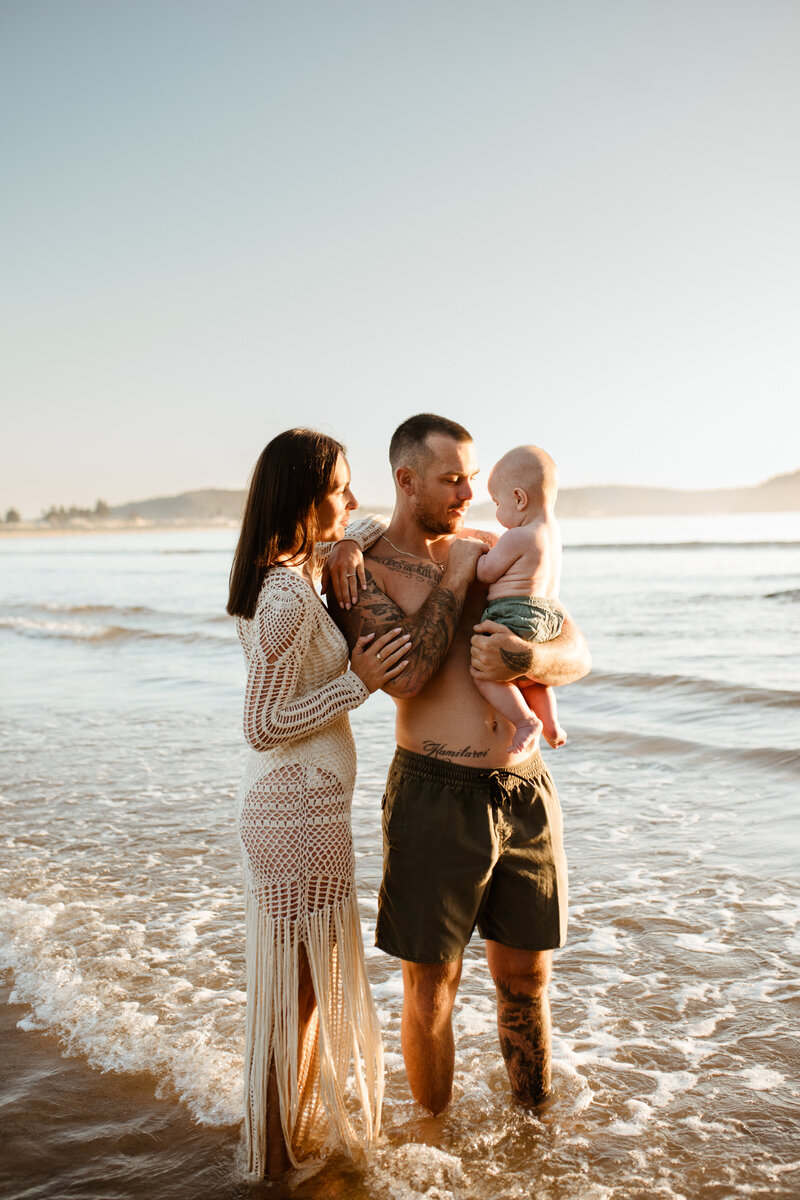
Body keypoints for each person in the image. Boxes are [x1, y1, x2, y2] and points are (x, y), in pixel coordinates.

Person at [328, 413, 590, 1116]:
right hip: (434, 795)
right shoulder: (361, 571)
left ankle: (534, 1131)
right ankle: (435, 1145)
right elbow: (407, 677)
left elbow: (577, 652)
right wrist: (448, 570)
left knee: (527, 980)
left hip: (524, 788)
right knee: (432, 989)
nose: (468, 493)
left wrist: (530, 660)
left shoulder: (493, 545)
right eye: (451, 479)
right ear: (405, 481)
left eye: (473, 477)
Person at [227, 428, 410, 1177]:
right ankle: (271, 1165)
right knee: (291, 1005)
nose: (355, 500)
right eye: (340, 489)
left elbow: (363, 525)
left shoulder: (293, 570)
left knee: (297, 1001)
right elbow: (262, 725)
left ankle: (280, 1144)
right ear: (303, 498)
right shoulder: (282, 598)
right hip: (293, 810)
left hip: (303, 809)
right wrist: (356, 684)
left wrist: (348, 543)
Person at [473, 444, 567, 755]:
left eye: (498, 503)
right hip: (550, 618)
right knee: (534, 682)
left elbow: (486, 573)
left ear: (519, 498)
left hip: (514, 614)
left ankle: (527, 721)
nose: (497, 513)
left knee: (485, 673)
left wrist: (478, 552)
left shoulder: (517, 536)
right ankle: (552, 725)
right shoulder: (552, 535)